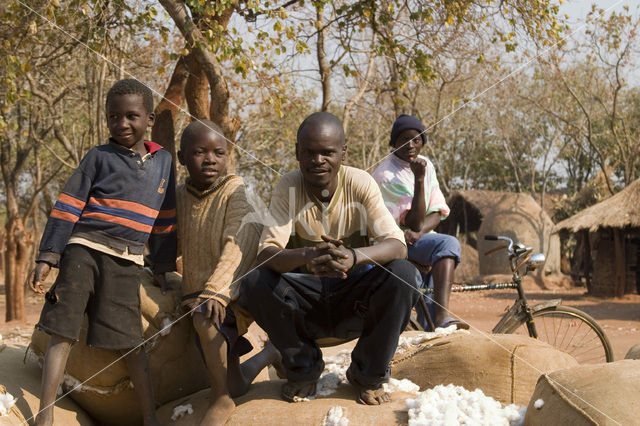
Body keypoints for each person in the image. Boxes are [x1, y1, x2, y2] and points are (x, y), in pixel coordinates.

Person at [237, 112, 421, 405]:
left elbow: (398, 246)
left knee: (405, 274)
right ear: (297, 152)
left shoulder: (360, 183)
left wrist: (352, 256)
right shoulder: (288, 186)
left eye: (327, 152)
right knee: (254, 281)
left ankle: (368, 374)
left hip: (354, 300)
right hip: (306, 303)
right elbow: (267, 253)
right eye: (309, 152)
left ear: (343, 153)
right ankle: (304, 369)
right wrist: (309, 256)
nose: (318, 160)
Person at [29, 79, 176, 426]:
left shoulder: (164, 162)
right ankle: (45, 414)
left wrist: (163, 265)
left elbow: (167, 218)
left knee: (132, 342)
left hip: (127, 259)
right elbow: (68, 205)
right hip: (84, 249)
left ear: (150, 118)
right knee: (62, 329)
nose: (122, 124)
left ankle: (149, 417)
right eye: (113, 117)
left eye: (131, 116)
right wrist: (47, 256)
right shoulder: (98, 156)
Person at [176, 120, 279, 425]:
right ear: (182, 158)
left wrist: (216, 291)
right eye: (199, 152)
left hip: (234, 289)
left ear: (228, 156)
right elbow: (171, 241)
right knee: (238, 383)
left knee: (205, 317)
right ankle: (270, 355)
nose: (210, 159)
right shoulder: (180, 195)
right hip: (198, 292)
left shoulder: (237, 192)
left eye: (218, 152)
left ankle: (220, 399)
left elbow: (238, 246)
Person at [372, 114, 467, 331]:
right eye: (404, 139)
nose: (411, 145)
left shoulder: (427, 165)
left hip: (420, 239)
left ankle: (434, 327)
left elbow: (437, 212)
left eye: (416, 140)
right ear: (393, 142)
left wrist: (420, 233)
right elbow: (412, 222)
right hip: (395, 241)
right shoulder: (385, 175)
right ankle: (443, 315)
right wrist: (419, 180)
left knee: (439, 266)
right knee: (448, 244)